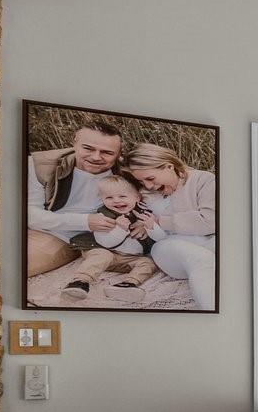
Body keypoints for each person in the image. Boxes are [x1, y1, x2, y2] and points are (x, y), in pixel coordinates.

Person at [122, 139, 217, 311]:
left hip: (208, 240)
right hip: (169, 247)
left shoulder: (204, 180)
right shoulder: (146, 193)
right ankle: (211, 310)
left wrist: (160, 221)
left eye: (150, 178)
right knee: (201, 259)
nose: (149, 185)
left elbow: (210, 221)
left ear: (168, 166)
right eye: (143, 182)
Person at [26, 120, 124, 277]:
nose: (96, 157)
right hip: (31, 226)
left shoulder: (126, 175)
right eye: (88, 148)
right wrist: (85, 221)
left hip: (60, 237)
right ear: (74, 142)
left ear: (119, 153)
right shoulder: (40, 165)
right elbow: (30, 215)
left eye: (107, 152)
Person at [54, 171, 158, 302]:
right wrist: (120, 229)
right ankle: (80, 282)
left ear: (137, 197)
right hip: (105, 250)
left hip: (127, 259)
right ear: (102, 200)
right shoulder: (103, 217)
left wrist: (147, 226)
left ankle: (128, 284)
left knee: (148, 263)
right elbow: (105, 242)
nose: (116, 200)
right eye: (109, 198)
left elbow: (156, 235)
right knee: (103, 255)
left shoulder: (143, 214)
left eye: (122, 196)